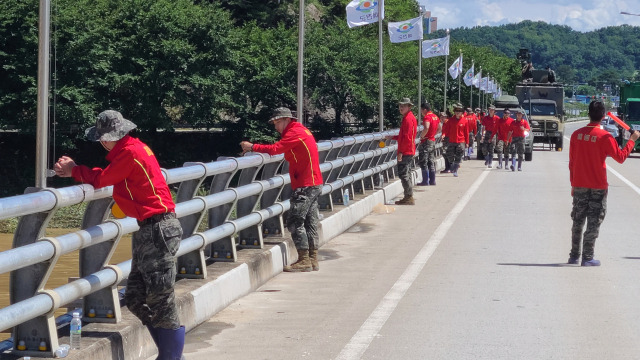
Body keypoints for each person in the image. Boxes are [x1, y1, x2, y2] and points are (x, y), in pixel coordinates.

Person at [54, 110, 186, 359]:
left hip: (158, 229)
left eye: (102, 138)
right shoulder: (133, 149)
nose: (102, 143)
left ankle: (171, 356)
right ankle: (169, 352)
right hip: (150, 228)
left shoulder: (130, 153)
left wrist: (74, 170)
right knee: (136, 296)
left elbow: (103, 179)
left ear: (108, 137)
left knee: (161, 297)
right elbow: (115, 179)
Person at [240, 107, 324, 272]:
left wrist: (252, 147)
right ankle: (312, 259)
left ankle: (304, 260)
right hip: (313, 182)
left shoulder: (294, 133)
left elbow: (275, 149)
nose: (276, 127)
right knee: (310, 221)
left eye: (278, 122)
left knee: (294, 221)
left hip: (305, 184)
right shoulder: (301, 130)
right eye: (274, 123)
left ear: (287, 119)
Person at [568, 100, 639, 266]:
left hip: (579, 183)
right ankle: (587, 257)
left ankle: (573, 255)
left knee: (577, 220)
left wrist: (573, 184)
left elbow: (572, 162)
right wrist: (632, 140)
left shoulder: (576, 135)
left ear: (588, 113)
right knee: (593, 220)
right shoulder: (605, 137)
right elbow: (620, 157)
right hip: (597, 186)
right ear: (602, 116)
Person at [385, 98, 417, 204]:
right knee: (406, 173)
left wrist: (401, 152)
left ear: (409, 107)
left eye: (404, 106)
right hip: (409, 149)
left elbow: (407, 138)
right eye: (400, 106)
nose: (401, 108)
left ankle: (408, 197)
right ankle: (409, 196)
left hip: (406, 150)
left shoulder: (408, 119)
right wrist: (393, 137)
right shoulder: (409, 117)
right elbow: (403, 136)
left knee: (403, 174)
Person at [416, 102, 441, 186]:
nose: (421, 112)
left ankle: (425, 181)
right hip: (432, 140)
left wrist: (422, 137)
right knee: (431, 160)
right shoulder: (435, 116)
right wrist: (433, 134)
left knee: (423, 161)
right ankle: (432, 180)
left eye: (421, 110)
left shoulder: (427, 117)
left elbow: (426, 127)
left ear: (425, 110)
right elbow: (440, 128)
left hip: (426, 141)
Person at [441, 103, 469, 177]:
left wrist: (467, 142)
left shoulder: (465, 121)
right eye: (456, 111)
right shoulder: (450, 120)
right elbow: (446, 130)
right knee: (449, 155)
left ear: (462, 112)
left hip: (461, 141)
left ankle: (455, 170)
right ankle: (452, 165)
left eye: (459, 111)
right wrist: (443, 135)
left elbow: (466, 133)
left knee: (458, 156)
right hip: (452, 140)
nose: (457, 112)